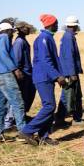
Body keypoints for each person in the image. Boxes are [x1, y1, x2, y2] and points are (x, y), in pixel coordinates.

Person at [21, 14, 67, 146]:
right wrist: (57, 76)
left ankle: (44, 136)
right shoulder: (43, 39)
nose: (57, 26)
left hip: (47, 77)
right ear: (50, 24)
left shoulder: (47, 38)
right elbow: (45, 60)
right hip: (43, 77)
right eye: (56, 23)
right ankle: (27, 130)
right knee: (49, 105)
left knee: (50, 106)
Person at [0, 22, 27, 143]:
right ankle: (23, 133)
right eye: (12, 32)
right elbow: (4, 54)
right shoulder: (4, 37)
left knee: (1, 106)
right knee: (18, 102)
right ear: (8, 31)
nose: (13, 34)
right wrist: (15, 69)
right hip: (5, 74)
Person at [55, 15, 84, 126]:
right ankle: (60, 118)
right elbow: (69, 56)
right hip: (69, 72)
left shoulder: (68, 36)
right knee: (67, 96)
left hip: (69, 71)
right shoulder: (68, 37)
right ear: (75, 26)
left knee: (76, 95)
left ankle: (76, 118)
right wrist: (72, 73)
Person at [12, 21, 36, 120]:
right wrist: (18, 72)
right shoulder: (19, 42)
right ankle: (18, 118)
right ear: (21, 29)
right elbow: (17, 59)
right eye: (27, 28)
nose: (29, 29)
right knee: (23, 96)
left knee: (27, 95)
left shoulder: (22, 40)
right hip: (23, 74)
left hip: (27, 72)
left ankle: (22, 116)